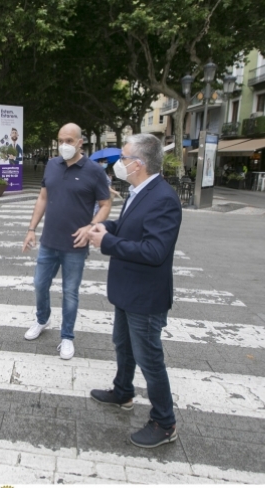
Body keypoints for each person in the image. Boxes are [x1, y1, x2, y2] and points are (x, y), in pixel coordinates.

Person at [86, 133, 182, 449]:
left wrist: (108, 243)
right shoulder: (140, 190)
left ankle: (165, 423)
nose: (119, 163)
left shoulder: (164, 198)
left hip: (145, 295)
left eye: (123, 158)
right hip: (128, 289)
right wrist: (107, 228)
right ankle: (123, 391)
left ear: (138, 164)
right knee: (123, 346)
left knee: (149, 358)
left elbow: (154, 250)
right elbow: (132, 227)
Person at [21, 123, 111, 360]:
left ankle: (67, 337)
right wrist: (31, 229)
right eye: (60, 140)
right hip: (49, 241)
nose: (64, 145)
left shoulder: (94, 171)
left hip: (76, 245)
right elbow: (42, 198)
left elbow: (106, 205)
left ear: (80, 142)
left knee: (70, 292)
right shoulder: (51, 165)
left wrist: (91, 226)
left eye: (69, 141)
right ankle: (42, 319)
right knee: (40, 284)